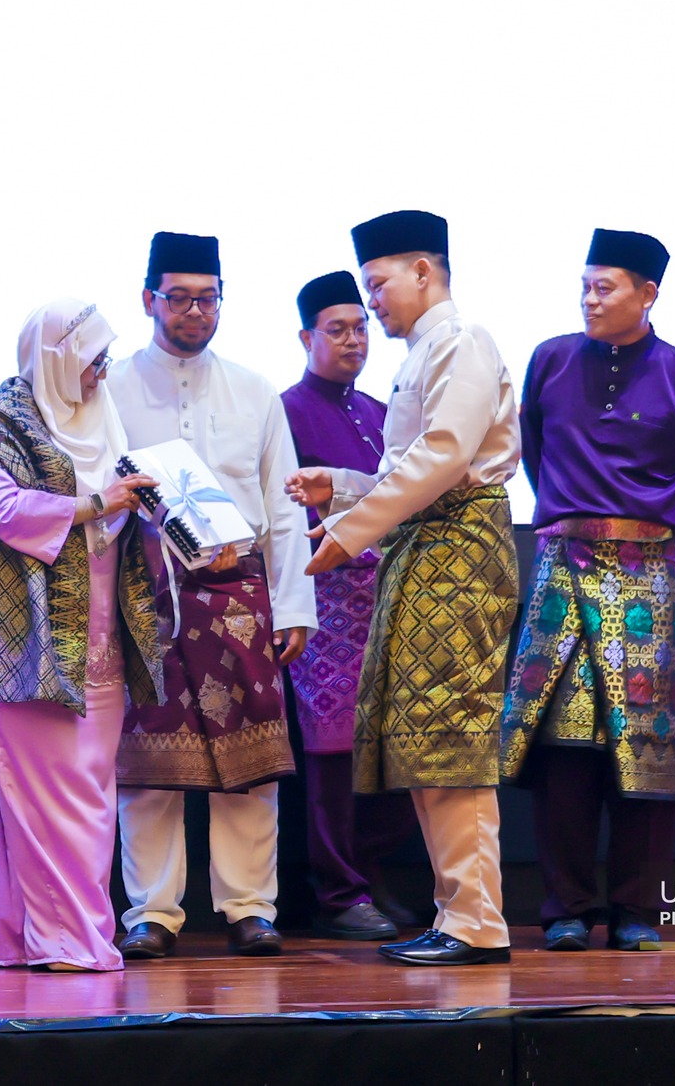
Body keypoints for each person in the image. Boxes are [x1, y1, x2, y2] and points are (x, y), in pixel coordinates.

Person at [286, 210, 520, 967]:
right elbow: (415, 467)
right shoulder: (424, 351)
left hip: (459, 549)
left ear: (425, 271)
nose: (373, 302)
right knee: (427, 736)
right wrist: (347, 485)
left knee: (449, 732)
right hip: (428, 549)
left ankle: (477, 919)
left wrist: (350, 527)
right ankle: (460, 910)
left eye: (378, 284)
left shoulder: (462, 342)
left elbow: (447, 455)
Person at [498, 229, 675, 954]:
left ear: (648, 293)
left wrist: (647, 541)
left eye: (607, 287)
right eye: (585, 285)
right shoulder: (552, 359)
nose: (589, 298)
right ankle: (566, 905)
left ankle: (636, 910)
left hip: (650, 573)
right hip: (565, 561)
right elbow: (533, 450)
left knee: (644, 746)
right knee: (565, 744)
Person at [110, 232, 316, 959]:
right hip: (149, 596)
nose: (196, 311)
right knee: (147, 764)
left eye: (209, 297)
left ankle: (249, 907)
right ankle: (151, 912)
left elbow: (284, 507)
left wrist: (294, 606)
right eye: (181, 297)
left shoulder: (256, 390)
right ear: (149, 301)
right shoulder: (110, 389)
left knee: (252, 759)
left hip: (238, 594)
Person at [0, 299, 167, 972]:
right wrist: (98, 503)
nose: (103, 373)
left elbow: (123, 514)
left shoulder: (101, 417)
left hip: (103, 642)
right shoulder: (3, 421)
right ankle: (73, 941)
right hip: (29, 647)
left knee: (63, 793)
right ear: (56, 360)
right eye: (92, 360)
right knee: (61, 797)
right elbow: (3, 508)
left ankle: (18, 937)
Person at [279, 271, 423, 941]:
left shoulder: (378, 411)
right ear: (307, 336)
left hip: (386, 604)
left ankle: (365, 874)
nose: (353, 340)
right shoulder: (287, 411)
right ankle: (337, 890)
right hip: (326, 604)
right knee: (334, 758)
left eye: (360, 326)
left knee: (392, 759)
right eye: (336, 329)